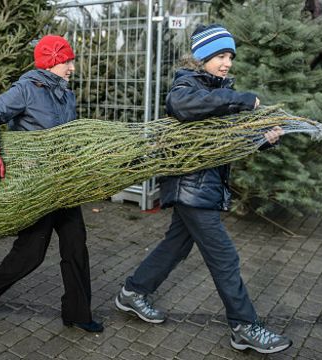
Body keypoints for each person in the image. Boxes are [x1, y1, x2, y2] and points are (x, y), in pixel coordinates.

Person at [114, 24, 292, 354]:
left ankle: (133, 292)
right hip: (191, 185)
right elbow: (181, 106)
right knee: (224, 256)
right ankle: (244, 325)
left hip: (201, 186)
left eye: (230, 57)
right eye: (220, 55)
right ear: (202, 57)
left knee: (176, 246)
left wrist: (261, 141)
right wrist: (239, 100)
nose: (227, 63)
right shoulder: (188, 84)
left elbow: (222, 143)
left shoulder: (215, 88)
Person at [0, 35, 103, 333]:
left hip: (65, 186)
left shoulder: (67, 95)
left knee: (76, 248)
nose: (72, 67)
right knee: (30, 255)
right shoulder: (27, 90)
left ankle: (78, 312)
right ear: (53, 61)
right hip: (37, 187)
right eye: (67, 61)